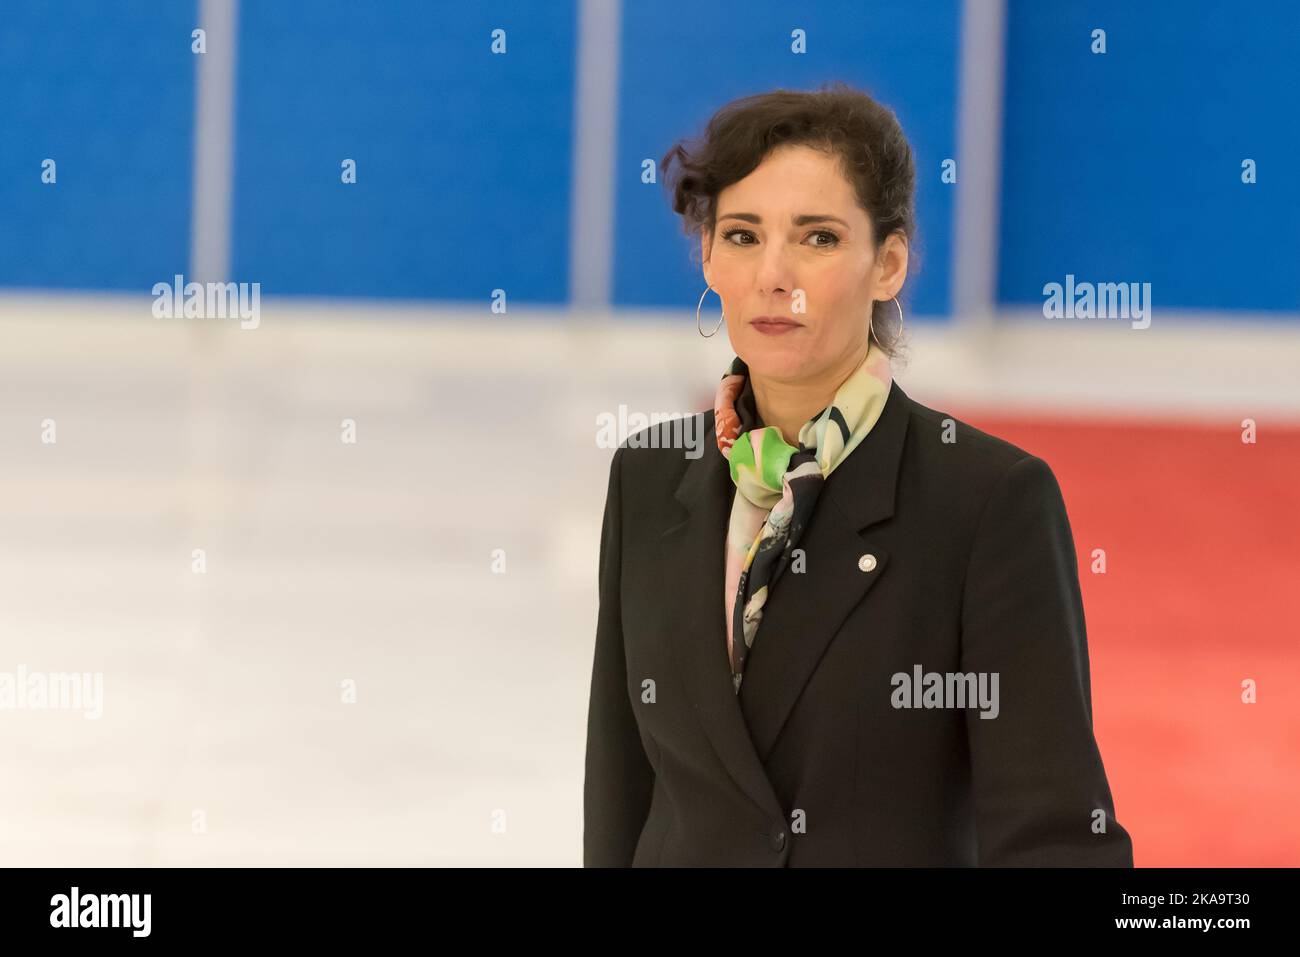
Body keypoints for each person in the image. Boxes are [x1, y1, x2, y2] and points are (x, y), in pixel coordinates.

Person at [583, 82, 1133, 866]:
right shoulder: (645, 479)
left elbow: (1053, 839)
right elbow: (619, 793)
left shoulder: (985, 502)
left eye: (817, 238)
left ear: (890, 264)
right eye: (742, 236)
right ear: (708, 256)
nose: (775, 274)